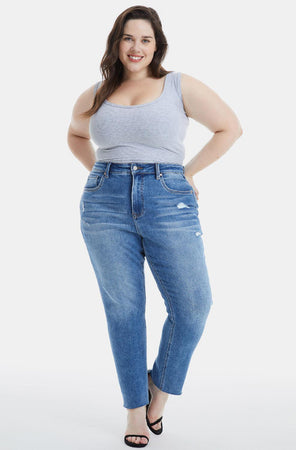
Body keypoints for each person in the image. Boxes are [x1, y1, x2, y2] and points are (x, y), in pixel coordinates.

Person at [67, 5, 243, 448]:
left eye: (146, 39)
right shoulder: (95, 93)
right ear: (116, 43)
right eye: (129, 38)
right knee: (124, 311)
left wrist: (185, 174)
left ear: (157, 45)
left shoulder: (178, 85)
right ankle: (133, 410)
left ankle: (157, 396)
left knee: (194, 306)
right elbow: (75, 135)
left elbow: (229, 127)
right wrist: (99, 174)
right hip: (103, 205)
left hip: (169, 199)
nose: (136, 47)